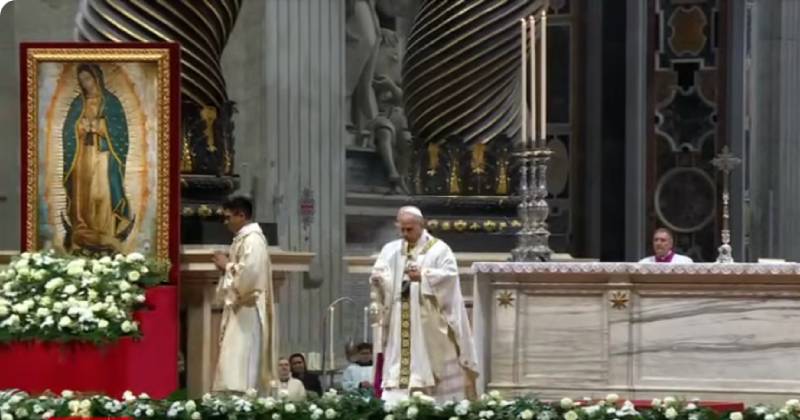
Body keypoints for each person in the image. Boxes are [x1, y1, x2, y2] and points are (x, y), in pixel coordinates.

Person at [370, 206, 478, 403]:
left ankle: (434, 396)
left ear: (421, 225)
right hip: (398, 317)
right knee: (397, 359)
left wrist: (424, 276)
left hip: (427, 318)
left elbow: (450, 278)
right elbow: (381, 272)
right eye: (401, 229)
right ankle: (397, 396)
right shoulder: (391, 249)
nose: (404, 233)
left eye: (409, 229)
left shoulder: (439, 249)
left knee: (431, 358)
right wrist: (380, 279)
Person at [61, 63, 133, 252]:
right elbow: (68, 129)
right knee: (83, 194)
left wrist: (100, 126)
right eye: (82, 80)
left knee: (101, 192)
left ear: (97, 78)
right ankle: (82, 229)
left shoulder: (111, 102)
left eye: (88, 78)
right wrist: (80, 127)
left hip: (103, 155)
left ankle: (104, 231)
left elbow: (120, 132)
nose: (85, 84)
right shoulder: (78, 103)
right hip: (82, 155)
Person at [211, 196, 277, 394]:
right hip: (240, 309)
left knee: (244, 364)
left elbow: (249, 277)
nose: (226, 222)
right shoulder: (243, 239)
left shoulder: (254, 240)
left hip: (249, 308)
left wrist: (226, 266)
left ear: (241, 215)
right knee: (233, 363)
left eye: (228, 217)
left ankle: (245, 401)